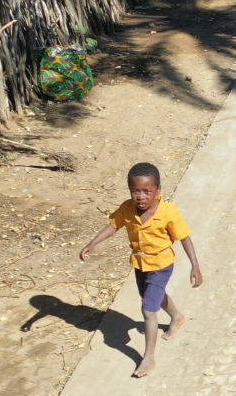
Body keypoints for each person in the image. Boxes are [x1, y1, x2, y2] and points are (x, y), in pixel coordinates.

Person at [78, 162, 204, 379]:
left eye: (147, 191)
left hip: (161, 264)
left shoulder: (168, 212)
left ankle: (149, 357)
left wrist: (195, 266)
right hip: (140, 263)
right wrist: (93, 242)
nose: (141, 196)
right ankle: (176, 316)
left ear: (158, 190)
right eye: (135, 191)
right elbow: (114, 225)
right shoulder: (127, 208)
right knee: (151, 297)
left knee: (148, 309)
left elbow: (184, 237)